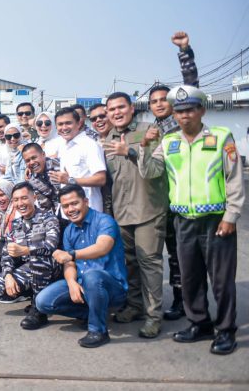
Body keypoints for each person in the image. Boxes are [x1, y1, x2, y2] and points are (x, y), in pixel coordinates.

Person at [139, 85, 244, 355]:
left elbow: (234, 180)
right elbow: (150, 172)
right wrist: (145, 146)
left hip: (216, 220)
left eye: (190, 109)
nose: (185, 115)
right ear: (175, 114)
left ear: (202, 110)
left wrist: (231, 215)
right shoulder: (169, 141)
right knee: (190, 278)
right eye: (180, 110)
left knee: (221, 281)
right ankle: (200, 323)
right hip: (183, 220)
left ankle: (225, 330)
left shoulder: (221, 137)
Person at [102, 92, 167, 338]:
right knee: (129, 263)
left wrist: (129, 150)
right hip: (122, 212)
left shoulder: (147, 130)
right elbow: (110, 181)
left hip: (148, 209)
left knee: (150, 263)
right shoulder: (107, 138)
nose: (116, 112)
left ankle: (154, 317)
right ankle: (135, 306)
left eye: (121, 107)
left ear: (131, 108)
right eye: (112, 109)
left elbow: (155, 168)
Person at [35, 185, 128, 348]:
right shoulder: (69, 230)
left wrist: (72, 254)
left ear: (85, 201)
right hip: (84, 284)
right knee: (43, 301)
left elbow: (102, 248)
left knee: (92, 275)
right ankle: (90, 313)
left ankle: (98, 330)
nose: (70, 209)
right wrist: (71, 283)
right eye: (65, 206)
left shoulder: (104, 220)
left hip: (112, 287)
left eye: (74, 203)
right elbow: (69, 264)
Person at [0, 182, 61, 330]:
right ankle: (28, 292)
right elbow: (7, 253)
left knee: (38, 260)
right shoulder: (16, 223)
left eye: (24, 198)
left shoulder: (48, 218)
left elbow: (51, 246)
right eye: (16, 200)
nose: (20, 203)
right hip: (28, 268)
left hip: (51, 267)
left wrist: (25, 251)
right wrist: (8, 276)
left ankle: (38, 310)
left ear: (34, 197)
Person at [147, 84, 184, 320]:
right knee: (162, 256)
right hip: (158, 202)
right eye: (154, 101)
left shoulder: (182, 127)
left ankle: (184, 302)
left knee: (179, 256)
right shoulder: (150, 130)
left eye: (164, 99)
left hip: (181, 202)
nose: (159, 104)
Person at [50, 107, 107, 212]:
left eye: (68, 123)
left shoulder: (89, 145)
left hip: (88, 211)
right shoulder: (63, 146)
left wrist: (70, 180)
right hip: (68, 211)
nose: (64, 127)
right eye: (60, 124)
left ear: (79, 124)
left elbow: (101, 179)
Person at [21, 143, 60, 215]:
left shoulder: (57, 166)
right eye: (28, 161)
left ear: (43, 154)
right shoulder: (31, 179)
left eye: (34, 158)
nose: (31, 162)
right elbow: (45, 205)